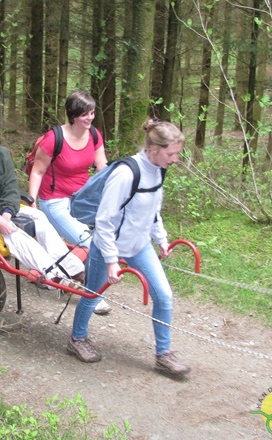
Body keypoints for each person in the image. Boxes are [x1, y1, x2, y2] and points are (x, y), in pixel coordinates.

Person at [67, 119, 191, 376]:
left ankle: (163, 354)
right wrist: (112, 259)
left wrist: (162, 239)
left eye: (177, 153)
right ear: (154, 148)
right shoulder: (126, 173)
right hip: (107, 245)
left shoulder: (158, 169)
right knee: (93, 294)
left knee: (164, 295)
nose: (175, 159)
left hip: (139, 245)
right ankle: (77, 338)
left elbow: (153, 210)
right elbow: (104, 219)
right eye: (172, 153)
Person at [0, 108, 86, 287]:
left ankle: (73, 269)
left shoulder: (1, 153)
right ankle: (54, 275)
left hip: (2, 206)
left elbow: (10, 188)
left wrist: (6, 212)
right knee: (13, 232)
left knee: (40, 217)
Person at [28, 90, 111, 314]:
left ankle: (55, 269)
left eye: (92, 113)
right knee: (89, 242)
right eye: (85, 114)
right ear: (73, 115)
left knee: (103, 236)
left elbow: (102, 168)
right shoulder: (53, 139)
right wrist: (32, 201)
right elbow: (38, 171)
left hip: (82, 199)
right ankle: (91, 293)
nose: (90, 118)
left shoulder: (94, 135)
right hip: (54, 200)